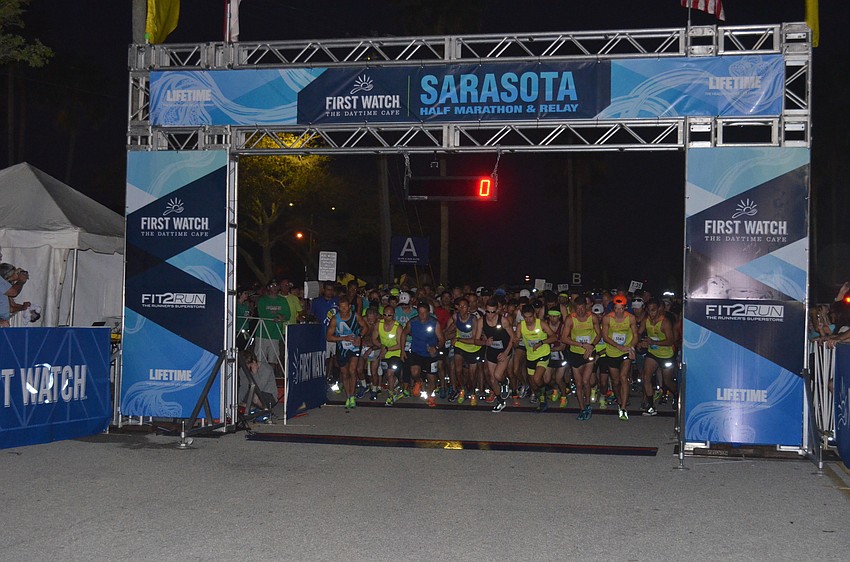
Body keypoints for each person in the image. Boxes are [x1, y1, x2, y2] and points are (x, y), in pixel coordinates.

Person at [326, 295, 368, 411]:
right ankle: (348, 395)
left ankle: (352, 396)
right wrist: (342, 339)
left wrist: (359, 336)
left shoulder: (355, 316)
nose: (344, 309)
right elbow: (329, 337)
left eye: (346, 307)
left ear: (350, 307)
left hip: (354, 346)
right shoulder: (335, 319)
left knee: (352, 370)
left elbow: (365, 327)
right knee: (344, 373)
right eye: (342, 307)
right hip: (341, 347)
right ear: (339, 308)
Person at [563, 297, 601, 420]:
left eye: (582, 308)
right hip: (575, 353)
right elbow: (564, 338)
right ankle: (582, 408)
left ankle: (588, 404)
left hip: (589, 352)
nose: (580, 311)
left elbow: (599, 334)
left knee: (586, 381)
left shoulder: (593, 317)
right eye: (577, 308)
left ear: (586, 307)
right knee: (578, 384)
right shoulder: (570, 319)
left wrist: (591, 346)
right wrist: (582, 345)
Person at [637, 298, 677, 416]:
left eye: (653, 310)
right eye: (649, 310)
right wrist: (640, 342)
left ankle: (678, 396)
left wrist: (654, 342)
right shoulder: (646, 320)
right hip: (653, 353)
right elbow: (638, 333)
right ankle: (650, 406)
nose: (651, 313)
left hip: (666, 355)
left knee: (667, 381)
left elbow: (670, 340)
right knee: (646, 377)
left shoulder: (665, 322)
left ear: (659, 309)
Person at [401, 300, 444, 407]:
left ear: (429, 312)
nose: (422, 315)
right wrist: (402, 350)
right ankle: (418, 382)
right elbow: (403, 334)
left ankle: (430, 397)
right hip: (417, 352)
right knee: (414, 372)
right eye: (420, 313)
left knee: (431, 378)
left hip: (431, 354)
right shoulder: (413, 322)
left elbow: (442, 339)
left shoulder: (435, 323)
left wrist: (436, 347)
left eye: (424, 313)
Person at [475, 297, 515, 412]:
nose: (490, 315)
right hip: (492, 350)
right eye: (488, 311)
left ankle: (504, 381)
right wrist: (485, 342)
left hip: (504, 350)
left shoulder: (503, 321)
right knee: (492, 380)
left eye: (493, 312)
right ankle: (500, 401)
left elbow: (513, 337)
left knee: (497, 375)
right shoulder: (481, 321)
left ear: (497, 310)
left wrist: (506, 352)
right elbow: (476, 340)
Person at [601, 294, 637, 421]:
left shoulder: (631, 318)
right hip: (612, 352)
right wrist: (618, 346)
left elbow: (635, 335)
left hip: (625, 350)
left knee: (623, 377)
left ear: (625, 308)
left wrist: (630, 347)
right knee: (615, 381)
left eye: (621, 308)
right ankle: (619, 399)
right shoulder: (607, 318)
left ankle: (623, 407)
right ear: (613, 308)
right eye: (616, 308)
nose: (619, 311)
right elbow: (605, 336)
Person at [518, 303, 557, 412]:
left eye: (530, 317)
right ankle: (543, 394)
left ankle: (543, 398)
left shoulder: (542, 324)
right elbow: (516, 339)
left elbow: (554, 337)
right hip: (530, 356)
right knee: (534, 384)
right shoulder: (521, 326)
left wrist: (541, 342)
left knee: (536, 378)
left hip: (543, 353)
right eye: (525, 317)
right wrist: (515, 341)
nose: (528, 320)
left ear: (534, 314)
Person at [446, 297, 482, 405]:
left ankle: (473, 393)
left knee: (472, 375)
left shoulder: (474, 319)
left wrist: (458, 339)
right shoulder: (455, 317)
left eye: (464, 306)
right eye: (460, 306)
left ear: (468, 308)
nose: (462, 309)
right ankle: (462, 389)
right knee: (457, 370)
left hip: (473, 348)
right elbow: (448, 332)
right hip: (460, 346)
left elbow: (475, 340)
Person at [255, 280, 290, 368]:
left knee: (273, 359)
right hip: (262, 334)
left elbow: (287, 314)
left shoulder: (282, 300)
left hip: (275, 334)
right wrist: (273, 317)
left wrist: (281, 317)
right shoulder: (263, 300)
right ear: (268, 287)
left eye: (276, 286)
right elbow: (261, 313)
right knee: (259, 359)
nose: (274, 288)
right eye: (272, 286)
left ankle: (271, 378)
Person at [375, 304, 404, 406]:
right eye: (385, 315)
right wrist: (381, 346)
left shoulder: (398, 327)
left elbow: (400, 344)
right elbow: (374, 338)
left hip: (395, 353)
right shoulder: (379, 324)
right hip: (384, 353)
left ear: (394, 315)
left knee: (390, 372)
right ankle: (396, 385)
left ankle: (390, 395)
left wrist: (387, 349)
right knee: (388, 375)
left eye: (389, 315)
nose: (387, 317)